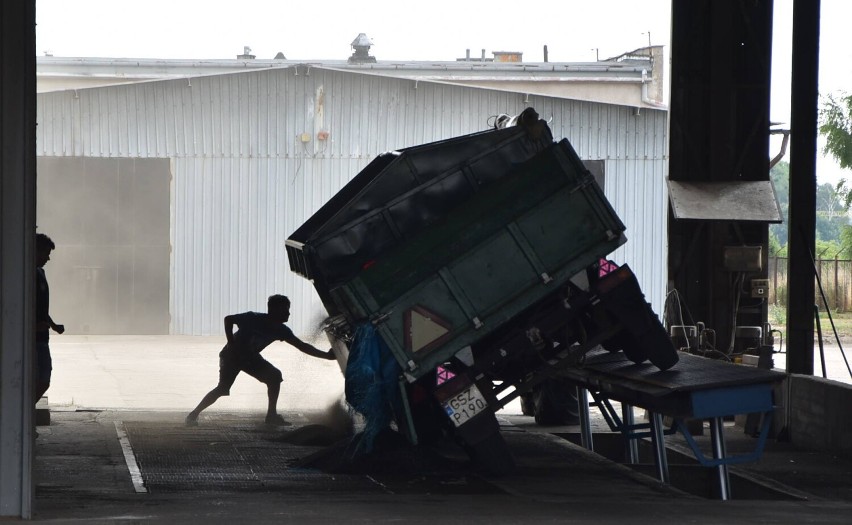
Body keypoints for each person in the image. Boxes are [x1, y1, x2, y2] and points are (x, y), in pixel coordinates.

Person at [186, 294, 335, 426]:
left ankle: (271, 416)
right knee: (223, 388)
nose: (289, 313)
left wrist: (327, 356)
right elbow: (229, 319)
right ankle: (193, 414)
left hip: (250, 357)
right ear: (274, 310)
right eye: (285, 310)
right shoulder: (252, 318)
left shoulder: (282, 330)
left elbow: (302, 346)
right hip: (231, 356)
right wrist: (231, 344)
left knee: (274, 377)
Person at [35, 233, 64, 405]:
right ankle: (25, 414)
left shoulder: (40, 274)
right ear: (35, 250)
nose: (48, 258)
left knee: (43, 379)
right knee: (42, 380)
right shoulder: (26, 277)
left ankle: (26, 415)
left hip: (42, 337)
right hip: (34, 339)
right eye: (46, 253)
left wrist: (53, 325)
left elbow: (40, 307)